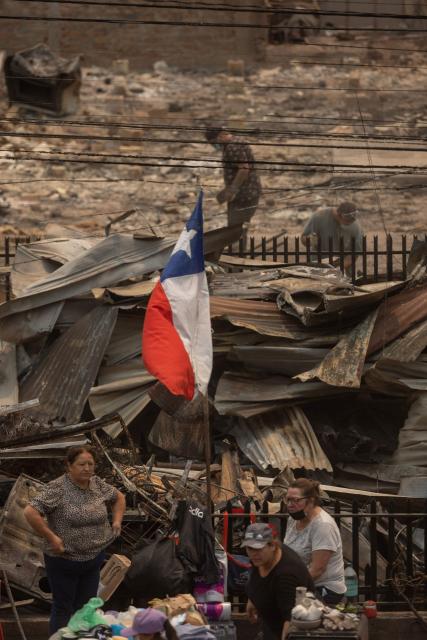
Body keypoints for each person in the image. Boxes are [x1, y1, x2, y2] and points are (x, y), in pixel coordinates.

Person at [24, 445, 126, 635]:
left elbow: (119, 497)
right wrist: (52, 537)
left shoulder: (97, 484)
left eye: (90, 464)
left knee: (86, 608)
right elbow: (30, 511)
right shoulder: (58, 488)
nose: (87, 468)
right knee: (63, 607)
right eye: (81, 464)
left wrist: (117, 521)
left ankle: (83, 638)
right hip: (64, 561)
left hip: (93, 558)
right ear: (69, 466)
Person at [244, 522, 314, 640]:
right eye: (249, 548)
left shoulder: (286, 576)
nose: (253, 554)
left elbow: (290, 620)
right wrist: (252, 599)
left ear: (273, 546)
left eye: (258, 548)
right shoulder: (261, 558)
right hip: (269, 622)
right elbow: (257, 577)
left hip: (283, 628)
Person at [283, 478, 346, 605]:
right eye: (288, 499)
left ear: (311, 501)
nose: (290, 504)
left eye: (295, 500)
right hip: (301, 583)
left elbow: (317, 569)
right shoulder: (295, 519)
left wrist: (288, 587)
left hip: (324, 589)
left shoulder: (323, 526)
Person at [205, 125, 262, 241]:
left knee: (235, 230)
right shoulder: (237, 142)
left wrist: (232, 190)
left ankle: (238, 254)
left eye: (214, 142)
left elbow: (244, 169)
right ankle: (240, 252)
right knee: (239, 229)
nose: (214, 145)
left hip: (243, 195)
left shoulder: (232, 147)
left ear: (221, 135)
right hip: (249, 192)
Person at [301, 201, 363, 274]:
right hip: (318, 265)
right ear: (338, 215)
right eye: (346, 221)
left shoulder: (355, 226)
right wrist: (310, 240)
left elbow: (354, 253)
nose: (349, 223)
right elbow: (303, 238)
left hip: (342, 269)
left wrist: (338, 269)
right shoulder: (319, 216)